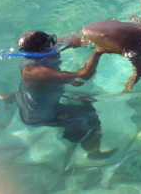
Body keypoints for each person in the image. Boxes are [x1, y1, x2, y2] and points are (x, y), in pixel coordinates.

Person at [14, 30, 117, 159]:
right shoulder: (36, 72)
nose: (54, 44)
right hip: (40, 115)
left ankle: (9, 98)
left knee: (84, 99)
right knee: (89, 115)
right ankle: (92, 151)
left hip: (33, 100)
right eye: (51, 43)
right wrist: (98, 52)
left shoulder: (39, 55)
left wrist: (97, 37)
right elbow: (81, 77)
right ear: (44, 49)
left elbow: (72, 40)